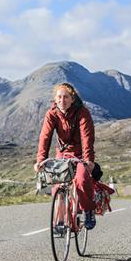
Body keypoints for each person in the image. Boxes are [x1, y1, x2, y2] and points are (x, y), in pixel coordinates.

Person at [34, 82, 97, 229]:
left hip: (80, 154)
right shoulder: (52, 114)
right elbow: (45, 137)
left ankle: (89, 210)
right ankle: (60, 221)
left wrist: (88, 160)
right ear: (55, 99)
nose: (62, 100)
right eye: (59, 97)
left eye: (66, 97)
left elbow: (87, 138)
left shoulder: (82, 112)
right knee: (57, 186)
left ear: (72, 99)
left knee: (81, 179)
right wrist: (40, 160)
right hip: (62, 153)